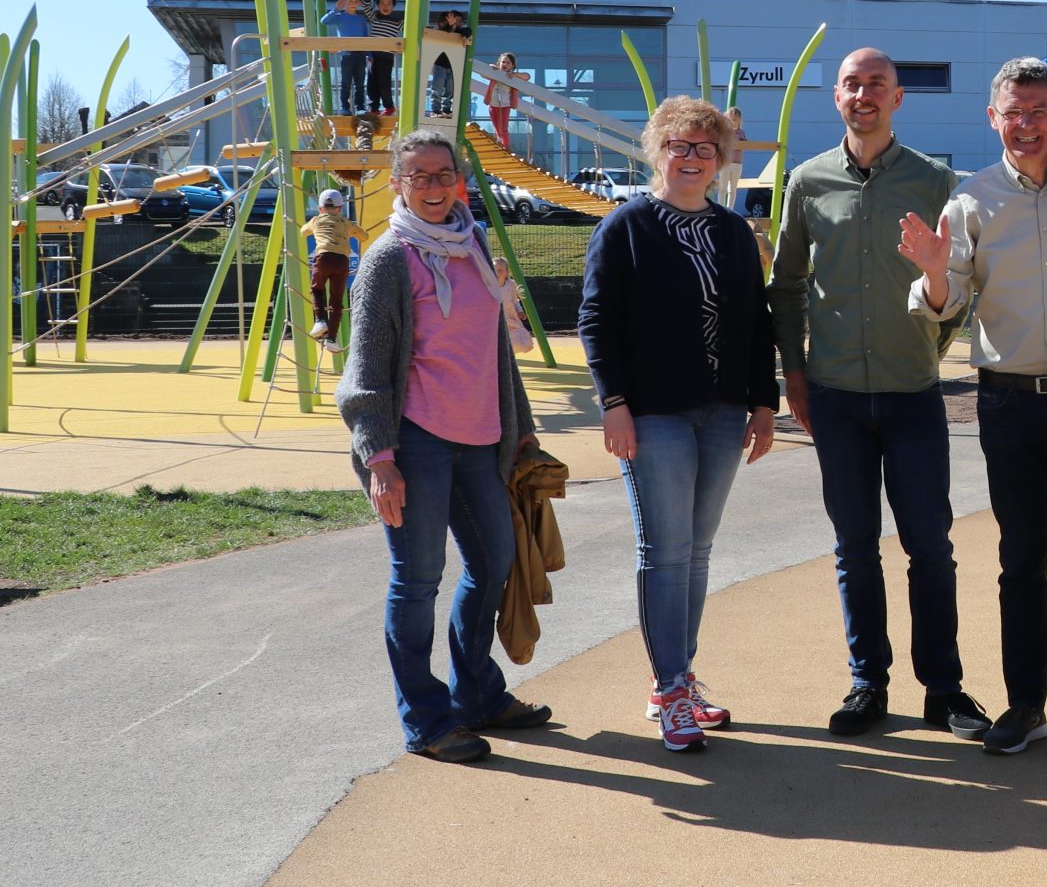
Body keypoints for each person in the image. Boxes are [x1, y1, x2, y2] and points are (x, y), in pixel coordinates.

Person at [900, 56, 1047, 755]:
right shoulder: (968, 200)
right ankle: (1026, 702)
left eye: (1038, 111)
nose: (1025, 125)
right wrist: (936, 273)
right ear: (991, 118)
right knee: (1020, 558)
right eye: (1012, 112)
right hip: (1010, 404)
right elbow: (948, 303)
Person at [770, 48, 985, 738]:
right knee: (854, 546)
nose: (864, 95)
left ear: (898, 99)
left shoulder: (934, 180)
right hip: (834, 396)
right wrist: (794, 374)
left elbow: (960, 285)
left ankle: (944, 688)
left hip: (913, 393)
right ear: (836, 96)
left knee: (931, 545)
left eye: (876, 85)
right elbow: (787, 286)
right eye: (852, 85)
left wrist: (932, 344)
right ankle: (868, 682)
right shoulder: (807, 182)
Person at [337, 128, 549, 764]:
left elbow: (494, 350)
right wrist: (380, 461)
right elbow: (366, 372)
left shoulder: (475, 243)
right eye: (419, 177)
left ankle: (476, 695)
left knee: (495, 564)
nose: (433, 187)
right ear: (399, 185)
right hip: (416, 445)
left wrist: (525, 426)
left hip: (482, 439)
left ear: (460, 181)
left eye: (443, 175)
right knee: (418, 580)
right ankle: (427, 721)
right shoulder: (388, 260)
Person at [580, 96, 779, 752]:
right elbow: (597, 319)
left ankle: (678, 677)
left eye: (704, 147)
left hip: (722, 411)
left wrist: (763, 402)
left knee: (696, 552)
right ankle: (669, 689)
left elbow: (756, 322)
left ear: (719, 159)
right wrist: (613, 403)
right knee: (664, 551)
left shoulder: (733, 233)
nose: (692, 158)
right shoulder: (626, 226)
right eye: (679, 145)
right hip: (652, 412)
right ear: (657, 150)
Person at [302, 188, 362, 342]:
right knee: (336, 301)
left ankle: (320, 320)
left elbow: (303, 231)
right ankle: (332, 340)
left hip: (323, 257)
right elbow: (364, 236)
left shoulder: (316, 220)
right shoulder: (345, 222)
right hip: (342, 261)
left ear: (320, 208)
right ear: (340, 208)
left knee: (317, 289)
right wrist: (350, 232)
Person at [322, 0, 370, 116]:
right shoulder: (340, 16)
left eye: (355, 1)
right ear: (345, 2)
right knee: (346, 83)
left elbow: (366, 37)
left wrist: (369, 54)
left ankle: (360, 107)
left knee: (360, 83)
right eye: (350, 1)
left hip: (360, 54)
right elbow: (324, 21)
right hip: (347, 54)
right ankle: (345, 107)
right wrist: (336, 9)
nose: (353, 3)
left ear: (359, 3)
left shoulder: (361, 19)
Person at [365, 0, 402, 119]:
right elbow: (365, 6)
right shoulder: (375, 16)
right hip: (372, 55)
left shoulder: (398, 21)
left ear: (393, 6)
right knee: (371, 82)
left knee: (384, 82)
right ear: (378, 5)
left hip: (386, 56)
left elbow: (411, 29)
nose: (385, 6)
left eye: (389, 4)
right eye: (382, 4)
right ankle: (373, 108)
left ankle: (389, 107)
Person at [484, 52, 519, 148]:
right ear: (499, 63)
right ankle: (500, 145)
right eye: (503, 62)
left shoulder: (511, 77)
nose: (505, 64)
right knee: (497, 129)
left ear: (512, 66)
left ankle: (506, 147)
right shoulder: (495, 74)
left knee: (503, 129)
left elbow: (527, 76)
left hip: (505, 106)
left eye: (508, 63)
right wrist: (491, 67)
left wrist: (515, 74)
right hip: (492, 105)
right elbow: (483, 74)